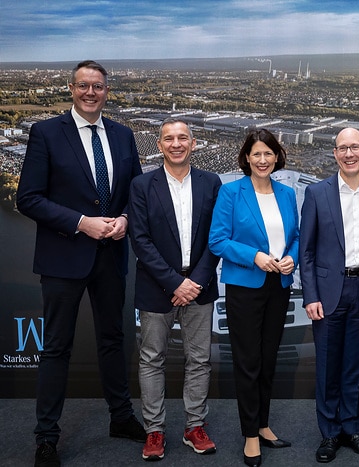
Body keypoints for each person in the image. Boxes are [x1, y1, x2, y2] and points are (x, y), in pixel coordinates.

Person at [16, 60, 145, 467]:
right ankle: (47, 438)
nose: (91, 93)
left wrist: (124, 219)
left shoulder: (124, 136)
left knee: (113, 340)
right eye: (84, 86)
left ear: (108, 91)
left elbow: (134, 193)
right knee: (56, 347)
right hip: (63, 256)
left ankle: (121, 418)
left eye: (99, 87)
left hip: (111, 256)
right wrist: (81, 223)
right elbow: (29, 198)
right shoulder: (46, 133)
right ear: (71, 89)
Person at [127, 118, 221, 461]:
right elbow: (140, 240)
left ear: (193, 143)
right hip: (158, 287)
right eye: (169, 138)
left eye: (183, 138)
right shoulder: (141, 185)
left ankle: (194, 426)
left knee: (200, 360)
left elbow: (217, 238)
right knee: (151, 359)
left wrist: (194, 282)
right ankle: (154, 431)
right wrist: (175, 283)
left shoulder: (212, 183)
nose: (177, 143)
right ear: (159, 144)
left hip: (200, 286)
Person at [299, 127, 359, 464]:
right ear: (335, 153)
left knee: (355, 366)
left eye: (356, 147)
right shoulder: (316, 193)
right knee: (327, 366)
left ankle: (352, 428)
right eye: (343, 148)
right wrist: (310, 295)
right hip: (327, 293)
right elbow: (306, 252)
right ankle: (329, 434)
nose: (350, 153)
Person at [208, 129, 299, 467]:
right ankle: (249, 435)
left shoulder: (287, 194)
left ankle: (263, 424)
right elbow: (217, 240)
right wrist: (255, 256)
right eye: (256, 154)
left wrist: (293, 257)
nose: (263, 160)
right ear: (246, 157)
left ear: (278, 157)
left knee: (268, 359)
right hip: (245, 288)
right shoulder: (231, 192)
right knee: (248, 363)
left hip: (279, 286)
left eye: (269, 154)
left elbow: (297, 237)